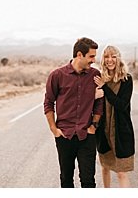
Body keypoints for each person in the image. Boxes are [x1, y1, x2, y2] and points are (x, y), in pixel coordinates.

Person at [44, 37, 104, 188]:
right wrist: (54, 129)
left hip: (87, 135)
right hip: (65, 135)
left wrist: (94, 126)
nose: (93, 60)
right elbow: (49, 103)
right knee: (66, 179)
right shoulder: (57, 75)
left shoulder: (95, 75)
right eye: (91, 56)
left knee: (88, 181)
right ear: (79, 55)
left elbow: (99, 103)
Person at [94, 45, 135, 188]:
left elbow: (121, 105)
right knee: (105, 168)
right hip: (103, 132)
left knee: (121, 172)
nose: (110, 60)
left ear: (118, 58)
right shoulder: (99, 78)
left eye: (113, 56)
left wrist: (105, 87)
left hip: (120, 133)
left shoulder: (126, 79)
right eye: (106, 57)